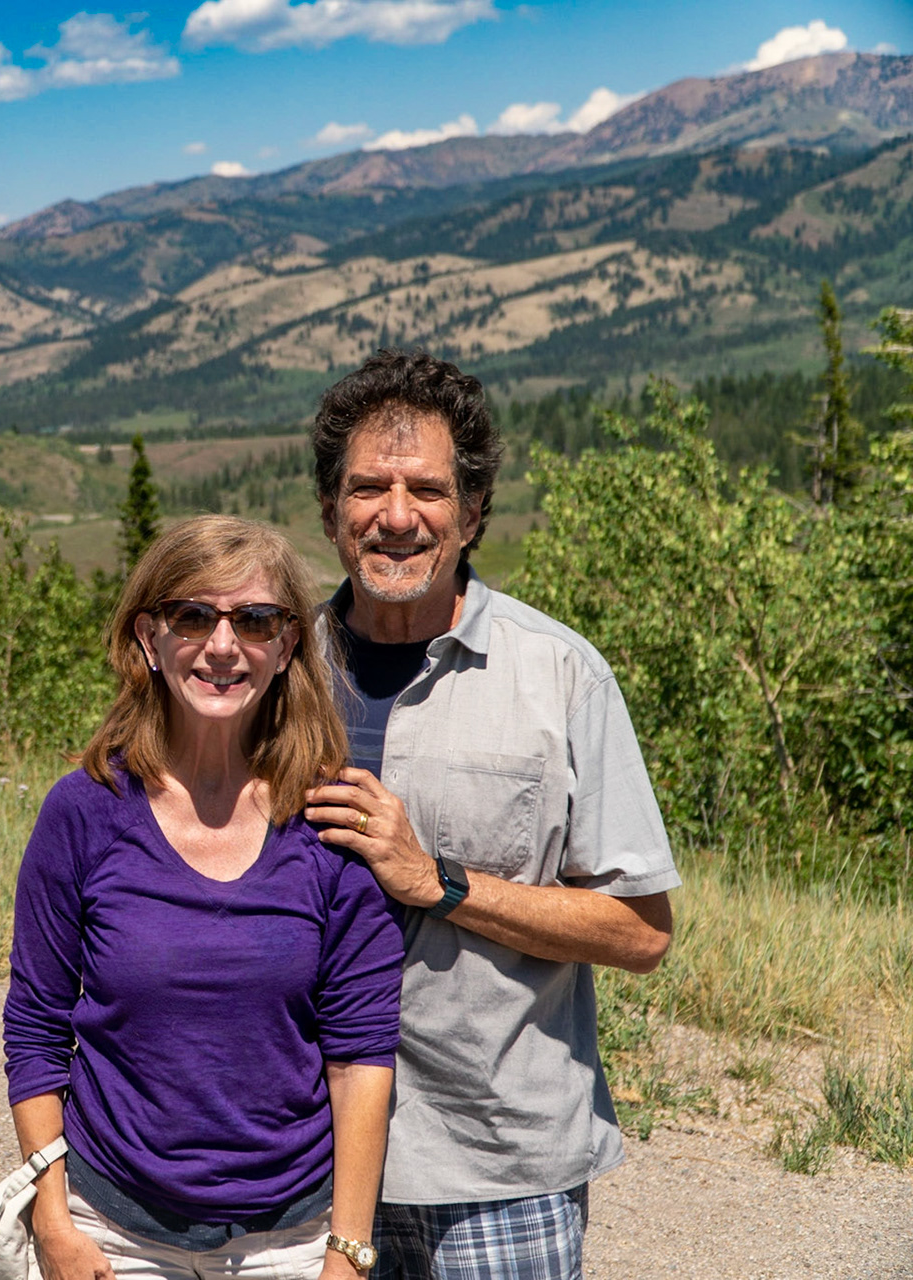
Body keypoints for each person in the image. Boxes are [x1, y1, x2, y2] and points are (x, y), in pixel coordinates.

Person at [300, 351, 679, 1280]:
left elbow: (642, 931)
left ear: (472, 515)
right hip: (303, 1156)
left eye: (428, 490)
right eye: (368, 488)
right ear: (330, 510)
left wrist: (438, 882)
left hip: (496, 1166)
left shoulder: (559, 675)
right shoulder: (276, 672)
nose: (397, 516)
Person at [5, 515, 405, 1280]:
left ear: (287, 647)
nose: (223, 645)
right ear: (149, 638)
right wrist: (51, 1222)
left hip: (290, 1241)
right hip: (110, 1232)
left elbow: (360, 1057)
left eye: (255, 621)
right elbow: (36, 1027)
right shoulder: (84, 812)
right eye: (192, 616)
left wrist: (348, 1255)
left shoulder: (330, 823)